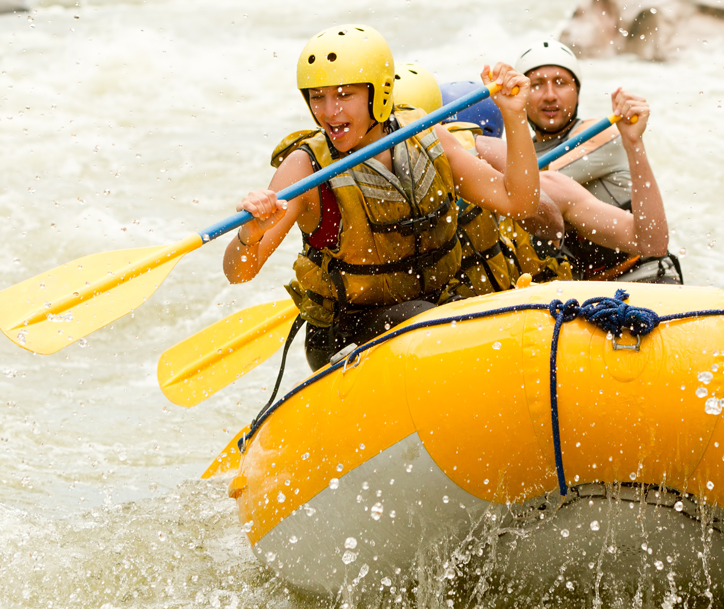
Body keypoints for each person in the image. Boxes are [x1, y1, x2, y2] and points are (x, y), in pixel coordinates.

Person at [223, 24, 540, 370]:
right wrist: (248, 236)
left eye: (344, 95)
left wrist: (514, 114)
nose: (329, 112)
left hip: (436, 309)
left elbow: (518, 202)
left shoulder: (425, 136)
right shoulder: (305, 168)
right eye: (318, 97)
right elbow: (238, 273)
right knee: (424, 319)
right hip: (347, 332)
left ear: (381, 92)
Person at [508, 38, 682, 284]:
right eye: (536, 85)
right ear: (521, 95)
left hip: (644, 277)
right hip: (585, 294)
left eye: (560, 83)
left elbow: (532, 183)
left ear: (576, 92)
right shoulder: (523, 153)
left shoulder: (602, 135)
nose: (549, 95)